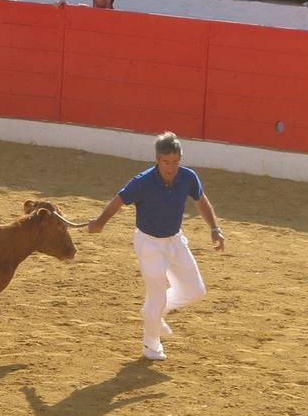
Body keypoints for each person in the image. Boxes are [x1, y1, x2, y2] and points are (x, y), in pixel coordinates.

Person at [86, 131, 223, 362]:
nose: (171, 168)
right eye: (167, 162)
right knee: (155, 297)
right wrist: (100, 222)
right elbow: (118, 201)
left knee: (196, 291)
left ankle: (155, 312)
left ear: (180, 159)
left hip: (175, 240)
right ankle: (151, 346)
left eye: (175, 162)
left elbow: (201, 201)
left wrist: (214, 228)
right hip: (149, 244)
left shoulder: (188, 177)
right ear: (158, 160)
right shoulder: (143, 181)